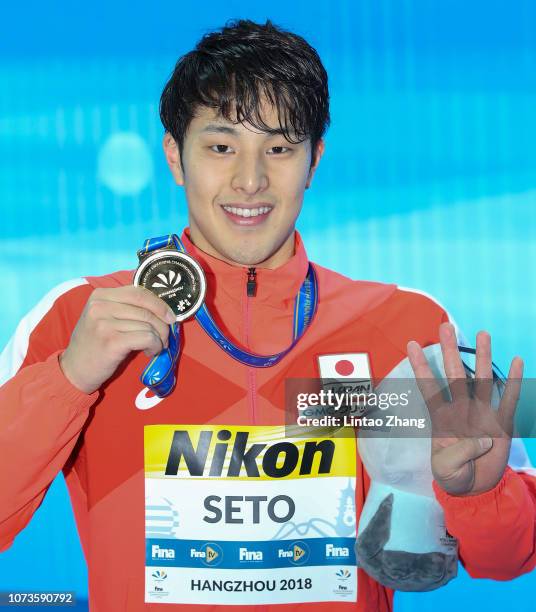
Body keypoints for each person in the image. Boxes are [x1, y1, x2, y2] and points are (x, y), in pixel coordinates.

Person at [0, 18, 535, 612]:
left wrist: (477, 492)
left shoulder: (405, 327)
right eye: (221, 147)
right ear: (175, 156)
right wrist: (68, 379)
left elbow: (508, 559)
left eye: (279, 148)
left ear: (314, 160)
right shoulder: (80, 318)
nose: (250, 181)